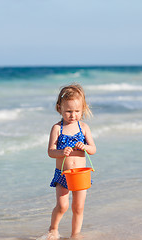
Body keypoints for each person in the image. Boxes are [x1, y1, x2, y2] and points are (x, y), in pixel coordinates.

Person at [47, 84, 96, 239]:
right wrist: (62, 152)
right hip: (63, 173)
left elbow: (94, 149)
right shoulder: (57, 128)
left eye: (77, 111)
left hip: (80, 174)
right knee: (62, 206)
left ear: (83, 109)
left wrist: (85, 147)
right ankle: (53, 229)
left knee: (78, 207)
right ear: (59, 108)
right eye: (68, 111)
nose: (73, 115)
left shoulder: (84, 127)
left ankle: (75, 235)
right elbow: (50, 152)